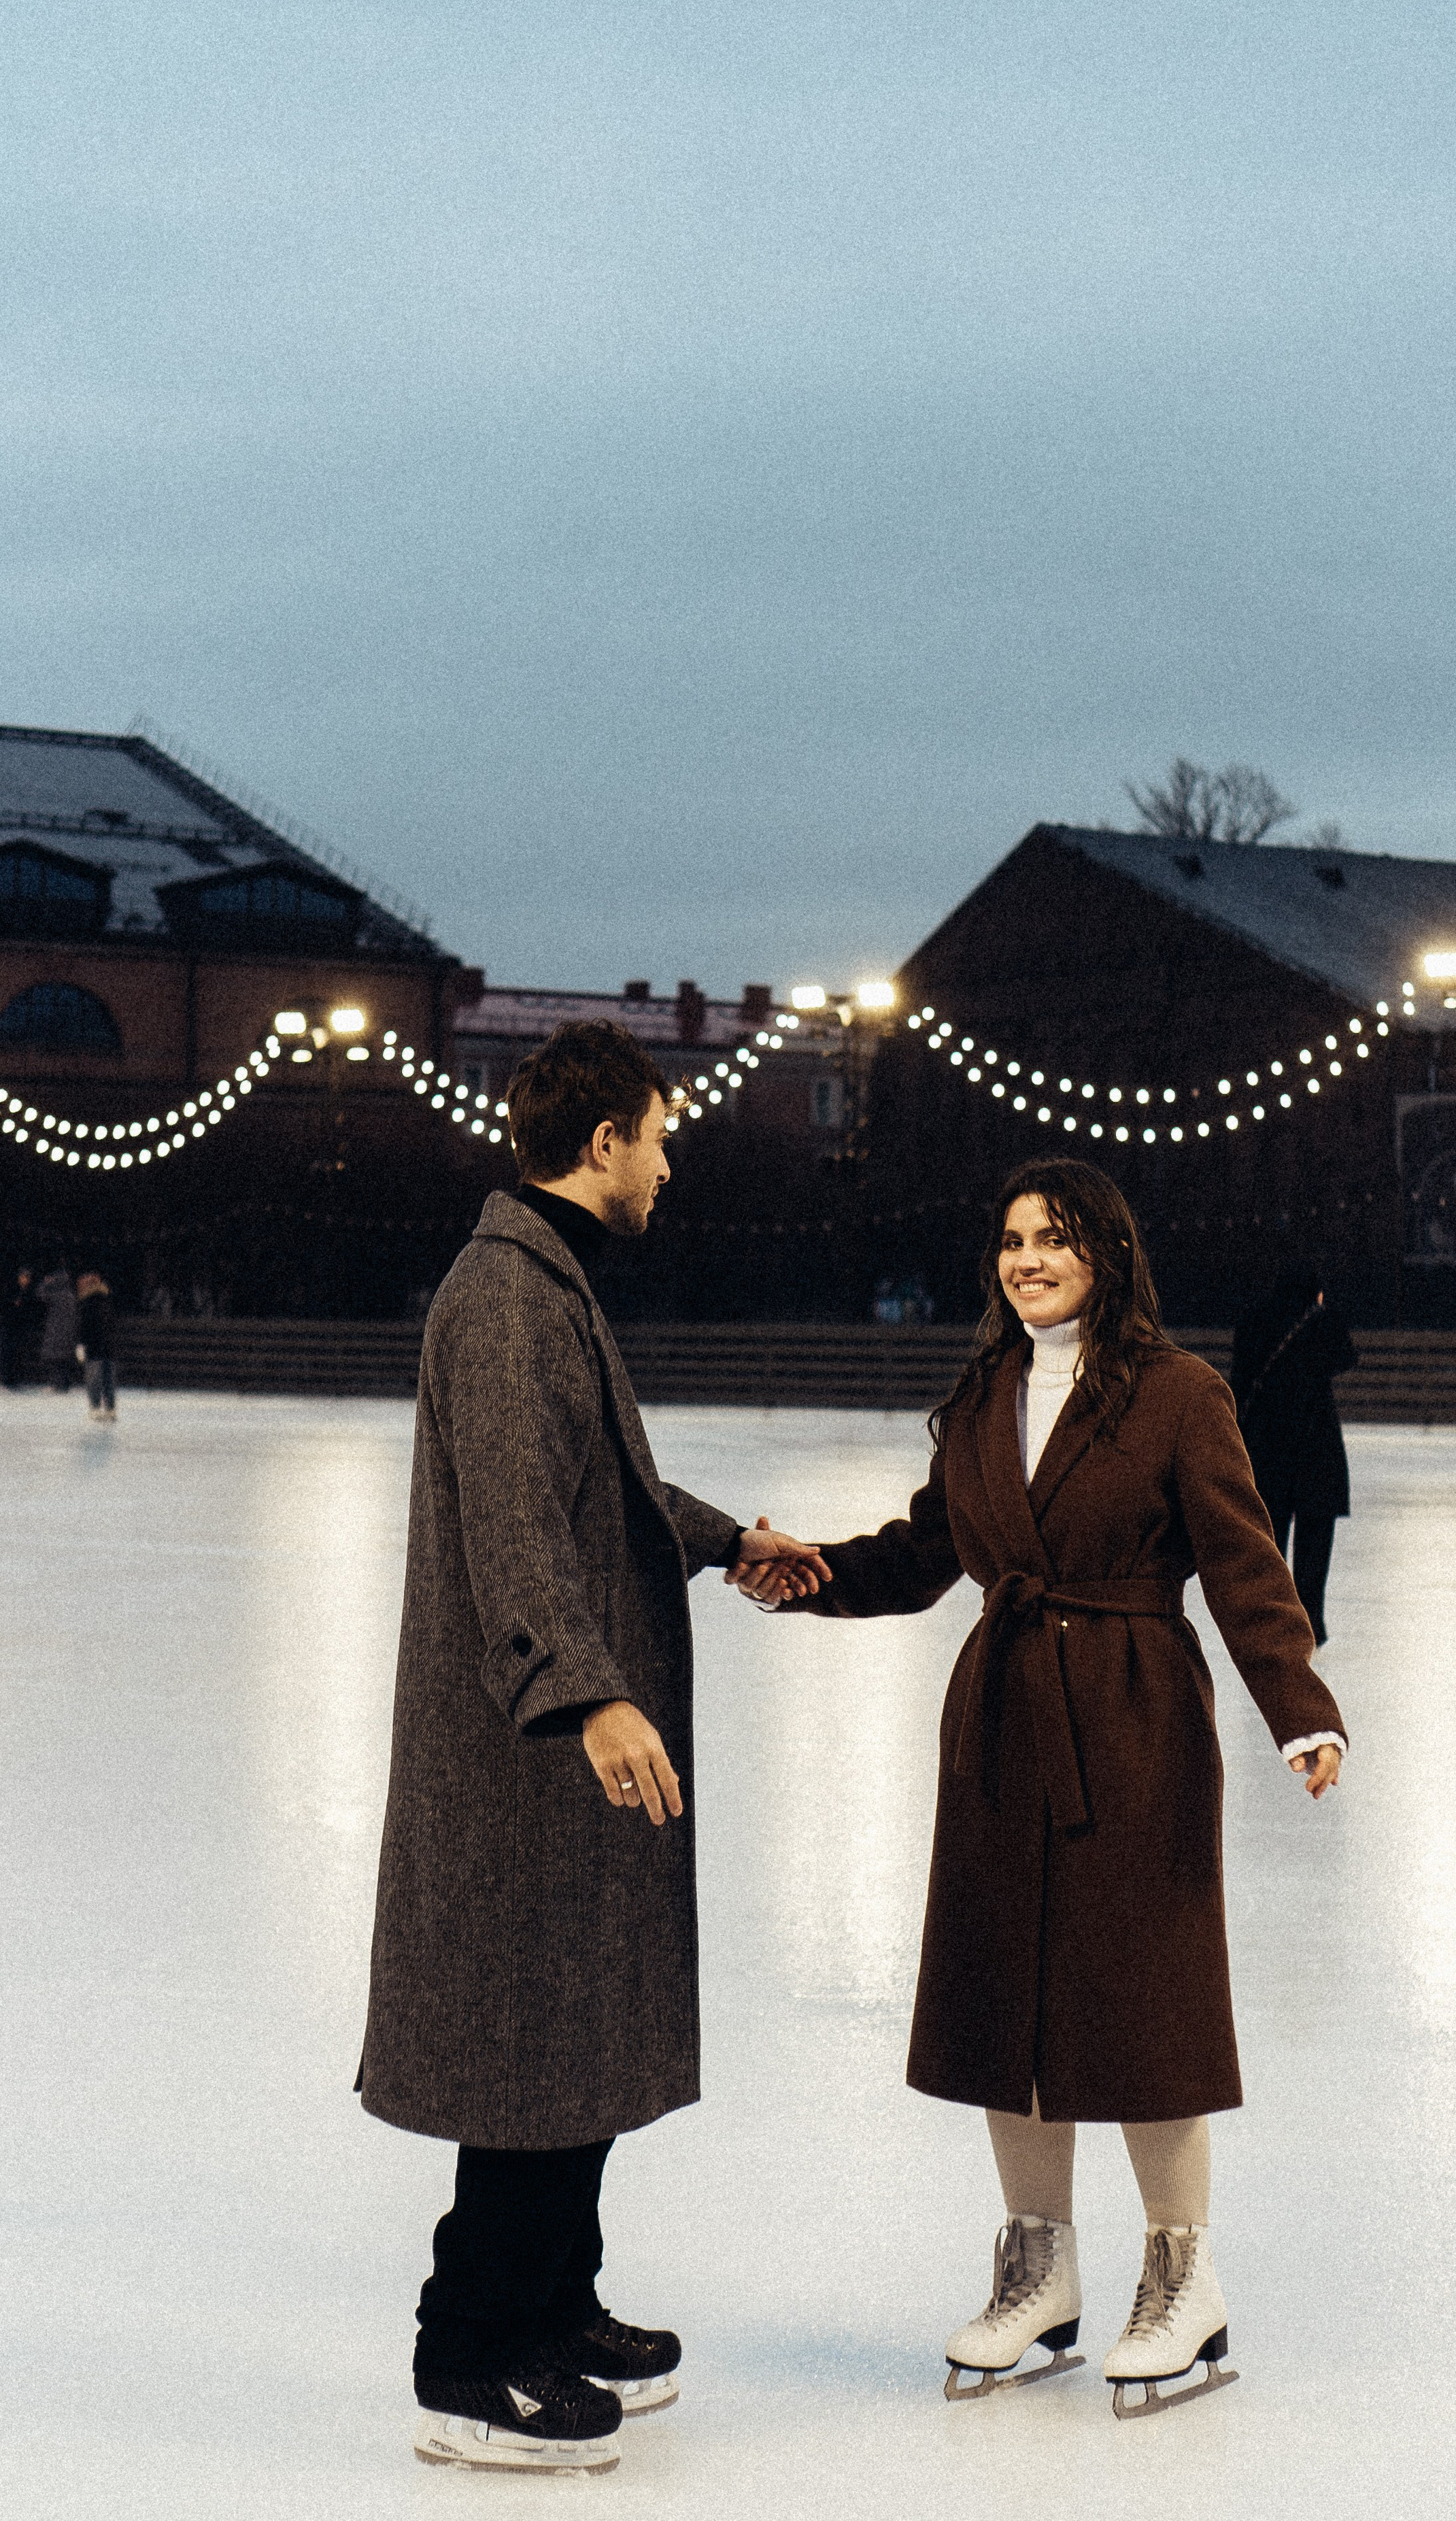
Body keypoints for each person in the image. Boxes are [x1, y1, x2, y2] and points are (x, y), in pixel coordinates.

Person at [737, 1158, 1346, 2414]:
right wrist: (816, 1575)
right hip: (1006, 1717)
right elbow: (927, 1548)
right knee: (1005, 1993)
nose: (1027, 1259)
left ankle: (1184, 2277)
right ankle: (1039, 2266)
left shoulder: (1180, 1395)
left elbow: (1243, 1564)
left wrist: (1299, 1709)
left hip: (1132, 1713)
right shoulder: (979, 1395)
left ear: (1105, 1255)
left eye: (1054, 1239)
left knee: (1143, 2000)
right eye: (1011, 1238)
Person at [358, 1019, 828, 2476]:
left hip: (549, 1743)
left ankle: (556, 2305)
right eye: (660, 1135)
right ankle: (470, 2357)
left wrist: (721, 1537)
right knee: (527, 2041)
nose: (672, 1162)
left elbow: (596, 1486)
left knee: (570, 2036)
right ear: (603, 1141)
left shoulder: (543, 1285)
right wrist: (587, 1693)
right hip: (522, 1752)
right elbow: (513, 1532)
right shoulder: (505, 1301)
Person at [1228, 1261, 1357, 1647]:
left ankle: (1270, 1618)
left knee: (1270, 1541)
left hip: (1267, 1445)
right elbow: (1345, 1358)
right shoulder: (1320, 1321)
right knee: (1315, 1543)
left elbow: (1239, 1377)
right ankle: (1310, 1620)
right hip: (1315, 1445)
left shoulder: (1254, 1320)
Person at [75, 1271, 116, 1419]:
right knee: (108, 1381)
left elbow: (83, 1326)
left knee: (94, 1380)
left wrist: (80, 1345)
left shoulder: (87, 1304)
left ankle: (95, 1407)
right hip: (109, 1347)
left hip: (93, 1347)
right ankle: (110, 1409)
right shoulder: (107, 1301)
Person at [36, 1262, 79, 1394]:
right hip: (69, 1333)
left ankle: (57, 1384)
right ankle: (65, 1384)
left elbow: (40, 1295)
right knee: (64, 1359)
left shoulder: (55, 1296)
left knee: (55, 1360)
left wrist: (46, 1283)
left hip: (55, 1331)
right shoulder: (71, 1296)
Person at [3, 1266, 41, 1388]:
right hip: (10, 1326)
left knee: (20, 1354)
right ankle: (8, 1379)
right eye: (24, 1277)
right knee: (9, 1353)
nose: (26, 1280)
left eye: (27, 1277)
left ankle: (17, 1378)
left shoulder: (30, 1292)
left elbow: (33, 1309)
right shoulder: (11, 1290)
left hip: (22, 1327)